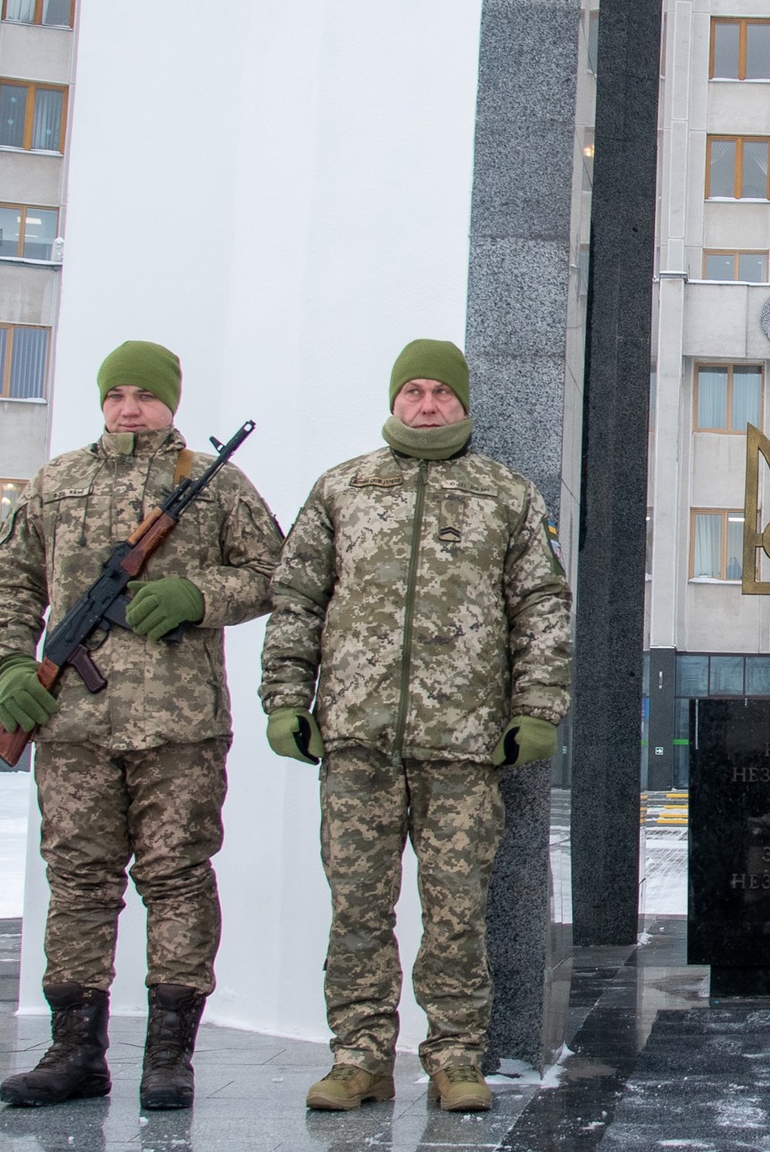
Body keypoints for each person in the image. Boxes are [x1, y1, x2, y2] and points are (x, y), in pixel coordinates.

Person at [260, 340, 573, 1113]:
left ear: (464, 403)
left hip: (464, 747)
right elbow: (297, 599)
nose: (427, 404)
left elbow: (541, 608)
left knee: (457, 911)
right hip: (358, 741)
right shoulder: (342, 489)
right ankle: (359, 1055)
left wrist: (537, 708)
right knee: (358, 909)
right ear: (395, 400)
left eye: (441, 392)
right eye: (414, 391)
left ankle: (456, 1055)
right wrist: (284, 698)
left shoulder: (508, 496)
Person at [0, 342, 285, 1111]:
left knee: (178, 880)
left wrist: (196, 594)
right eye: (115, 394)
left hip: (178, 728)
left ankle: (169, 1056)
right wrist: (12, 667)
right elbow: (9, 580)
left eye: (143, 396)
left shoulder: (210, 484)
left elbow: (276, 571)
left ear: (170, 402)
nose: (128, 408)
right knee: (79, 884)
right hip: (72, 725)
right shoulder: (58, 480)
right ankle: (74, 1050)